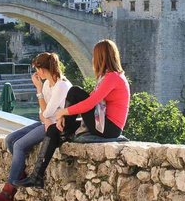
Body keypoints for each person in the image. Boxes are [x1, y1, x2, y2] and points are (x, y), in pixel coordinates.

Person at [15, 40, 129, 189]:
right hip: (101, 122)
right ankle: (37, 176)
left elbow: (89, 103)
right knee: (53, 129)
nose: (93, 60)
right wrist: (63, 117)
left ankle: (64, 132)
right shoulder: (107, 77)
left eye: (95, 56)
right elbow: (90, 101)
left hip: (110, 128)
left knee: (75, 91)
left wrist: (63, 112)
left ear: (101, 57)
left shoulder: (113, 78)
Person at [0, 53, 71, 201]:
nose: (36, 73)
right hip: (46, 123)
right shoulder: (47, 84)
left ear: (42, 70)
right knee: (10, 139)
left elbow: (47, 113)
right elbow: (42, 113)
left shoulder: (61, 86)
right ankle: (20, 173)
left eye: (36, 69)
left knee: (19, 146)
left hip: (55, 127)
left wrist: (38, 90)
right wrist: (45, 115)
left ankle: (8, 192)